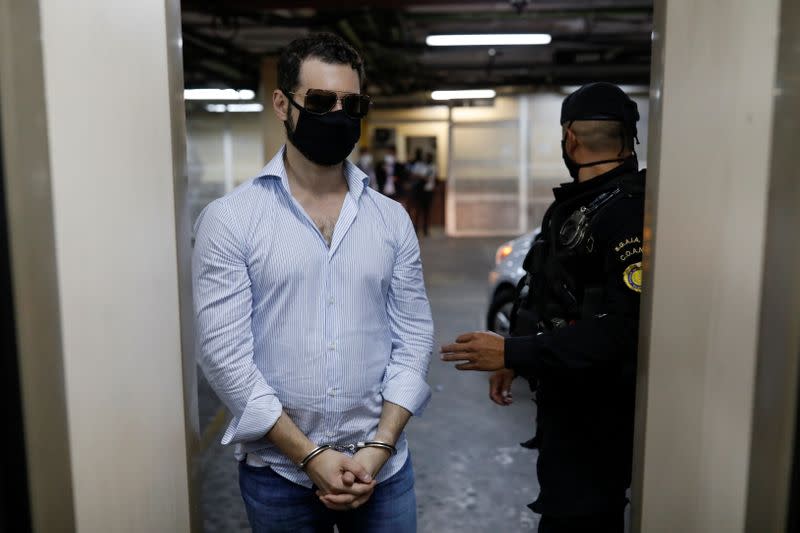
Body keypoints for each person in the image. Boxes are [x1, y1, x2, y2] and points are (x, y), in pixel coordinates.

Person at [192, 32, 434, 533]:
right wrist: (310, 457)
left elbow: (413, 337)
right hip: (279, 475)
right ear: (283, 103)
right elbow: (224, 356)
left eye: (353, 103)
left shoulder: (391, 219)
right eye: (321, 101)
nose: (339, 115)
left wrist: (378, 447)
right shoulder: (231, 220)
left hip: (383, 471)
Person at [441, 82, 645, 533]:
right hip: (564, 405)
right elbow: (544, 291)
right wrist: (516, 351)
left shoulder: (628, 214)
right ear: (630, 139)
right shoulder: (575, 207)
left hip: (600, 416)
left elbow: (624, 331)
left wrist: (513, 353)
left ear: (569, 138)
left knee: (580, 518)